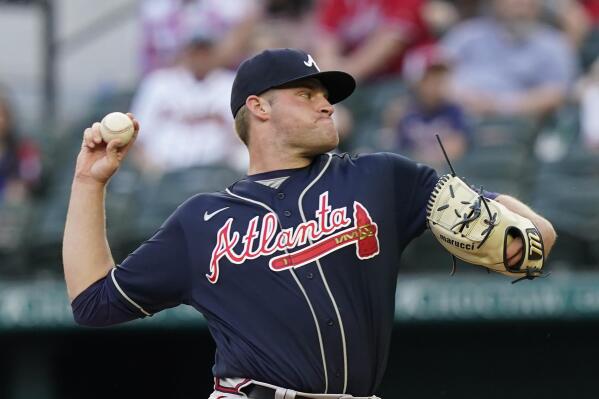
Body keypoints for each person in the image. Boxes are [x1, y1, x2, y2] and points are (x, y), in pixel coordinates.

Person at [63, 48, 557, 398]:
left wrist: (518, 227)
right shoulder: (203, 221)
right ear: (258, 107)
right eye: (306, 93)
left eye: (327, 94)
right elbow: (92, 302)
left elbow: (537, 239)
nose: (326, 103)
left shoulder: (382, 177)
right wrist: (89, 183)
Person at [131, 28, 248, 176]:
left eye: (205, 52)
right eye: (195, 52)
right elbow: (139, 138)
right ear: (184, 53)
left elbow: (244, 136)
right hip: (166, 171)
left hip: (218, 171)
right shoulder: (158, 83)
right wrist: (151, 172)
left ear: (215, 54)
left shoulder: (232, 83)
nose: (200, 58)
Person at [441, 0, 577, 119]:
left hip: (523, 129)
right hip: (462, 122)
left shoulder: (554, 44)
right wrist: (467, 99)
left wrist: (498, 106)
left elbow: (556, 94)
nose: (521, 3)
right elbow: (435, 77)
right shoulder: (466, 35)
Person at [381, 45, 471, 170]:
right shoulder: (402, 112)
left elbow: (456, 146)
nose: (437, 83)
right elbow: (395, 148)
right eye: (430, 78)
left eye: (441, 77)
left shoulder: (454, 110)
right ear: (416, 81)